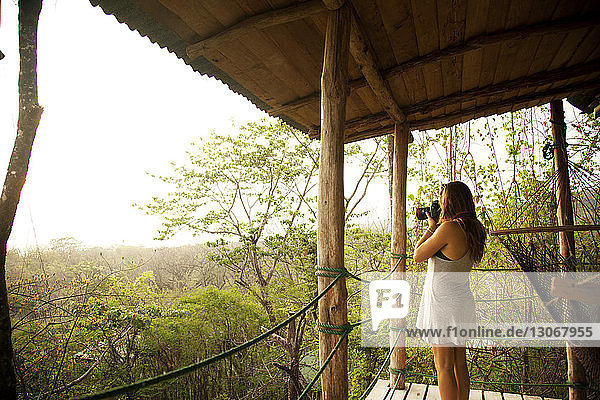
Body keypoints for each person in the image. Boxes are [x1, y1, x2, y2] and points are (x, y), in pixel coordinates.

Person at [413, 181, 486, 400]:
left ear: (450, 201)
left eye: (443, 197)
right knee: (459, 363)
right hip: (462, 301)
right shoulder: (475, 229)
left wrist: (431, 226)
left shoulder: (449, 228)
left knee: (443, 365)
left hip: (442, 305)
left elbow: (418, 255)